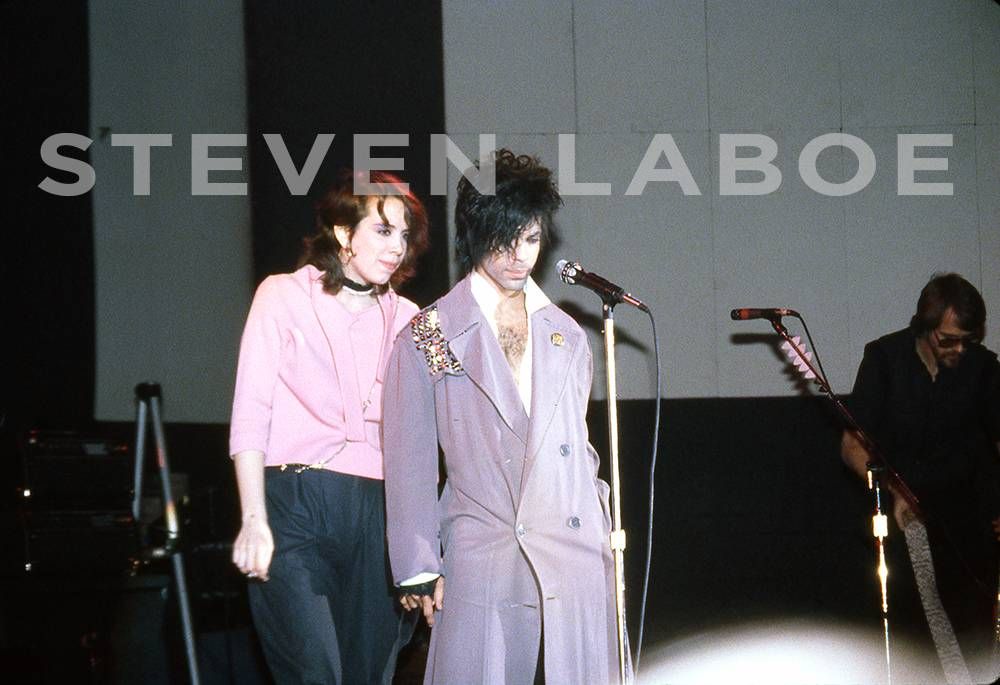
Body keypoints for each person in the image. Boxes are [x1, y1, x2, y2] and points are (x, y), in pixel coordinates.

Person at [381, 149, 622, 684]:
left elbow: (578, 448)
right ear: (474, 235)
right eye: (505, 240)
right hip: (484, 547)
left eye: (532, 239)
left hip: (571, 547)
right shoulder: (431, 332)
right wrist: (419, 566)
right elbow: (410, 458)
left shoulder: (568, 334)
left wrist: (603, 537)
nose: (519, 256)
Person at [228, 170, 428, 684]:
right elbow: (251, 411)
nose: (397, 248)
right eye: (383, 231)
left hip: (379, 513)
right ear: (343, 233)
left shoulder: (413, 320)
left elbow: (439, 431)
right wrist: (254, 520)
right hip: (295, 504)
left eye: (404, 235)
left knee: (369, 675)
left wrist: (421, 551)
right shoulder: (281, 295)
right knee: (315, 672)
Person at [841, 272, 1000, 683]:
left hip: (968, 521)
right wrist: (892, 491)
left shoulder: (983, 368)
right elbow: (852, 445)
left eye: (969, 339)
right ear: (924, 328)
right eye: (948, 339)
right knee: (920, 630)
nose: (959, 348)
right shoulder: (884, 360)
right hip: (905, 515)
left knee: (975, 629)